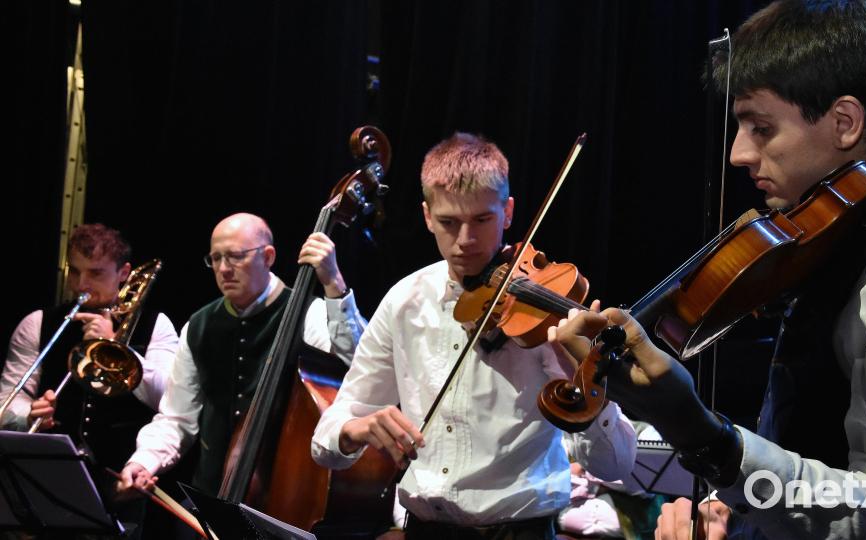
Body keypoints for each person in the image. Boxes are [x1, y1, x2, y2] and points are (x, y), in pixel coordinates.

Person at [551, 1, 866, 539]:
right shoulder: (840, 240)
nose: (739, 154)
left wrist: (709, 438)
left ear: (845, 122)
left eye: (761, 128)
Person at [311, 132, 637, 539]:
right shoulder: (404, 301)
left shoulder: (547, 316)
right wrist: (354, 430)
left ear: (509, 212)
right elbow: (326, 440)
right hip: (425, 531)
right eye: (449, 222)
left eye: (482, 220)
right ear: (427, 216)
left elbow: (616, 465)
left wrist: (583, 376)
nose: (465, 240)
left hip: (521, 533)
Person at [117, 212, 366, 498]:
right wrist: (143, 461)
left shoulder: (309, 314)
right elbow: (176, 418)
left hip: (285, 497)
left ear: (268, 256)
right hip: (210, 499)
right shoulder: (198, 326)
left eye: (235, 256)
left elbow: (360, 364)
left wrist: (334, 284)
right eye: (216, 258)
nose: (224, 268)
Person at [0, 223, 179, 537]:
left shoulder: (156, 325)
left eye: (96, 273)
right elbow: (7, 402)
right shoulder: (39, 323)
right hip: (49, 478)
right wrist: (28, 413)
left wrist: (118, 348)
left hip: (121, 483)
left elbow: (169, 398)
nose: (81, 284)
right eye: (74, 272)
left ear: (124, 273)